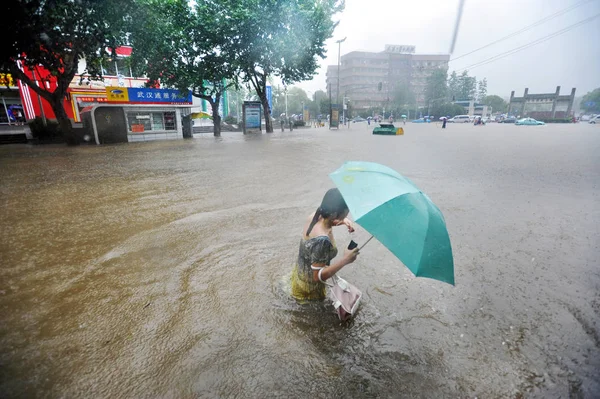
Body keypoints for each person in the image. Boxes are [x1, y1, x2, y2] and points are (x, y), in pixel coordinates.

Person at [291, 188, 359, 301]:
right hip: (309, 291)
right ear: (335, 214)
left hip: (300, 276)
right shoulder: (322, 241)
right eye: (347, 210)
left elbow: (327, 223)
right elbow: (317, 276)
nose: (349, 211)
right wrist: (346, 260)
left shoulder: (316, 215)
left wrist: (343, 221)